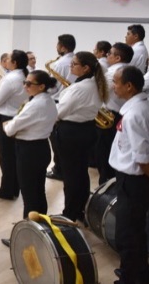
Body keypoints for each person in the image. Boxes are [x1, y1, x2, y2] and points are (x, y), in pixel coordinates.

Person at [108, 66, 149, 284]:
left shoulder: (134, 115)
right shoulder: (140, 107)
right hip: (132, 180)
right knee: (135, 231)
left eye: (116, 82)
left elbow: (143, 158)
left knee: (127, 234)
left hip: (133, 181)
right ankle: (139, 272)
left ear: (129, 86)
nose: (113, 86)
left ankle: (130, 278)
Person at [56, 51, 107, 223]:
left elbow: (60, 112)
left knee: (70, 175)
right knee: (80, 173)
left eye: (74, 64)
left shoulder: (79, 88)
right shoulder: (95, 83)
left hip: (72, 133)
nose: (71, 66)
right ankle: (80, 209)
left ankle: (69, 213)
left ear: (85, 68)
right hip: (87, 129)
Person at [3, 71, 58, 223]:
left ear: (41, 86)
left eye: (29, 84)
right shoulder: (48, 100)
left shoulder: (36, 104)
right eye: (24, 83)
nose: (25, 86)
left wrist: (8, 125)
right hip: (41, 147)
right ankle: (40, 224)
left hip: (29, 151)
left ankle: (29, 228)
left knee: (29, 193)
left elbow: (10, 129)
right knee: (38, 190)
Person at [0, 50, 30, 201]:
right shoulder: (26, 75)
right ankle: (14, 188)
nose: (6, 61)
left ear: (14, 63)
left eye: (9, 59)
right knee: (14, 155)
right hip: (19, 116)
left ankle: (6, 189)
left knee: (6, 156)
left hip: (7, 117)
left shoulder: (11, 78)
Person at [96, 42, 133, 185]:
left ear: (118, 58)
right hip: (121, 114)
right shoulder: (130, 70)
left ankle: (105, 183)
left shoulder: (113, 73)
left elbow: (98, 91)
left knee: (104, 151)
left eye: (110, 53)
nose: (107, 55)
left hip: (109, 116)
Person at [46, 34, 77, 181]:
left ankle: (59, 169)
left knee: (56, 140)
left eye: (58, 44)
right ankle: (65, 168)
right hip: (73, 102)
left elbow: (52, 88)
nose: (56, 47)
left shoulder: (59, 64)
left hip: (58, 102)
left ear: (63, 47)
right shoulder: (77, 60)